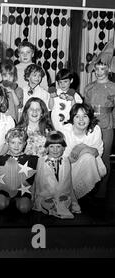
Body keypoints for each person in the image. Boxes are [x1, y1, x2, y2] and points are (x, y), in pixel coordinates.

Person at [58, 103, 107, 200]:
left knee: (88, 158)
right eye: (77, 116)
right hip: (68, 167)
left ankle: (86, 194)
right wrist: (87, 151)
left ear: (90, 118)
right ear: (72, 119)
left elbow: (98, 153)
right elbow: (65, 160)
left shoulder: (95, 130)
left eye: (85, 116)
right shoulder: (65, 132)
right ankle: (74, 194)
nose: (81, 120)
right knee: (87, 157)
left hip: (90, 166)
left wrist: (82, 147)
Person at [84, 62, 115, 198]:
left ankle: (103, 188)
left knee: (104, 156)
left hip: (107, 125)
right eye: (97, 69)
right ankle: (89, 186)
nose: (99, 72)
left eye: (103, 69)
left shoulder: (113, 87)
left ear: (108, 69)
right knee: (90, 156)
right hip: (90, 126)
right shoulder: (89, 87)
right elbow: (85, 109)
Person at [33, 131, 81, 219]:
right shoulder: (41, 161)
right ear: (47, 148)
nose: (55, 150)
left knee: (65, 201)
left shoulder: (66, 161)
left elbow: (68, 183)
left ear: (63, 148)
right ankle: (54, 207)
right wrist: (39, 197)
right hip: (46, 194)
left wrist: (73, 200)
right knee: (47, 203)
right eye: (51, 146)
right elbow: (38, 182)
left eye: (58, 146)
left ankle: (59, 206)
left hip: (62, 194)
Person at [0, 128, 38, 213]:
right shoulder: (0, 159)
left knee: (24, 208)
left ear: (24, 144)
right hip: (5, 190)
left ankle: (18, 201)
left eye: (19, 143)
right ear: (7, 143)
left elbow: (34, 180)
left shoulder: (32, 160)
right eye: (13, 142)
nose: (16, 146)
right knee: (0, 205)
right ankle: (8, 200)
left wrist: (33, 196)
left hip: (23, 190)